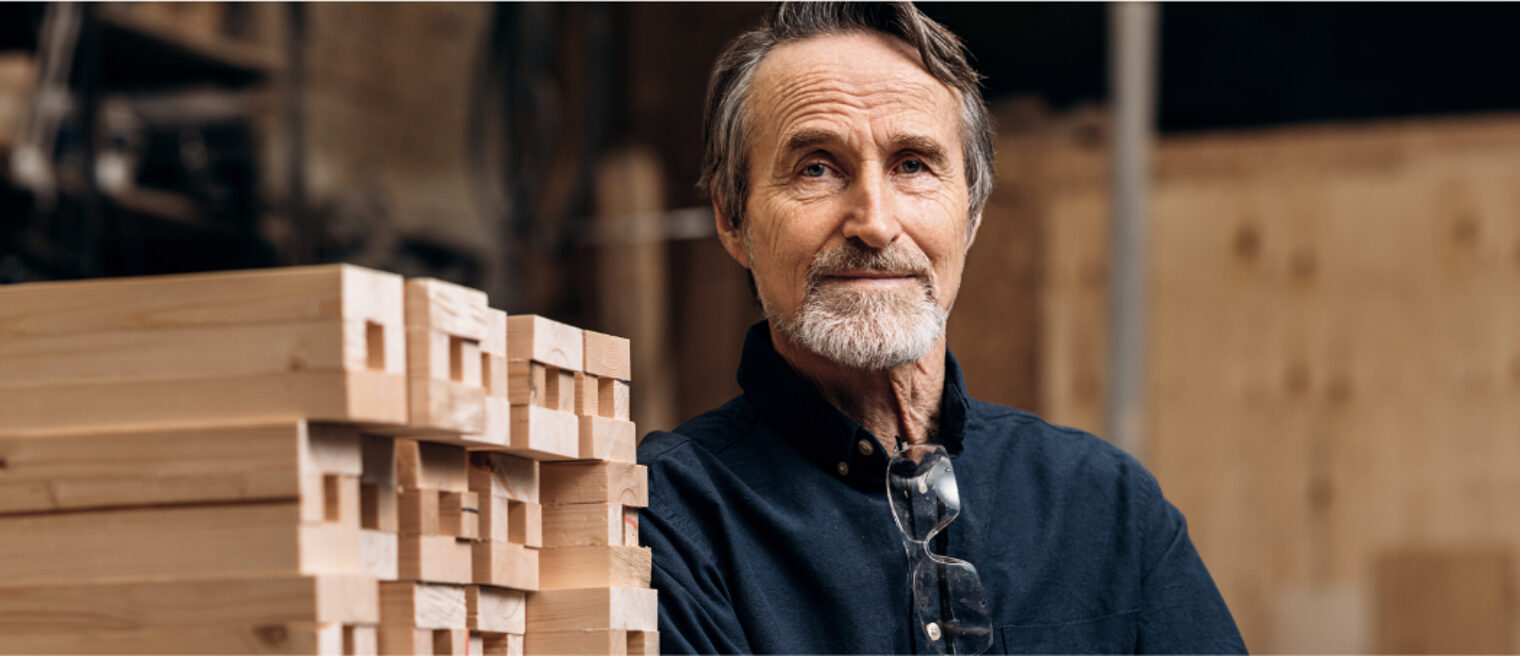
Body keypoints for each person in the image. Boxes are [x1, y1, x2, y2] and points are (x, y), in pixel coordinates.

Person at [636, 3, 1247, 653]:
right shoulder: (662, 516)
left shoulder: (1108, 508)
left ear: (973, 214)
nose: (873, 222)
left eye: (913, 165)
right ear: (734, 220)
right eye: (817, 167)